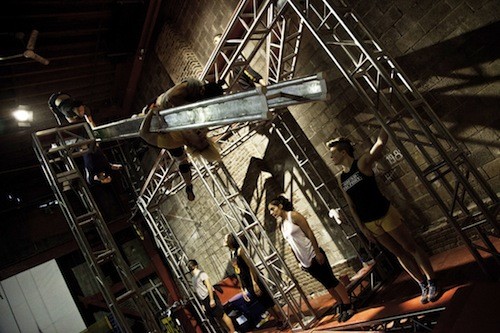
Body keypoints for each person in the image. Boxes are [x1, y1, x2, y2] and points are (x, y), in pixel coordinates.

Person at [326, 129, 440, 304]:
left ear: (343, 152)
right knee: (398, 253)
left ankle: (432, 281)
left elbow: (380, 143)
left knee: (410, 247)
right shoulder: (342, 179)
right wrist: (363, 228)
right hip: (370, 223)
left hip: (385, 213)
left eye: (333, 153)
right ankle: (422, 283)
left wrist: (383, 125)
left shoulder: (362, 163)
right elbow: (352, 206)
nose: (331, 157)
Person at [267, 196, 355, 322]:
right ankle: (341, 304)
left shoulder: (294, 216)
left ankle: (348, 305)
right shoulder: (282, 226)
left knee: (332, 280)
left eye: (272, 209)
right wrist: (299, 262)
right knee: (327, 285)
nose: (271, 213)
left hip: (313, 254)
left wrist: (318, 252)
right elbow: (292, 245)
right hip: (305, 261)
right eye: (270, 211)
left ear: (280, 206)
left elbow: (309, 233)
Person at [139, 78, 224, 201]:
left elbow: (143, 133)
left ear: (191, 145)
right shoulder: (199, 126)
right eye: (204, 138)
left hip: (159, 117)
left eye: (200, 141)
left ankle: (188, 185)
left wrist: (151, 112)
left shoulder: (173, 142)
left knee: (182, 161)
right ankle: (188, 184)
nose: (202, 136)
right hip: (166, 103)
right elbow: (171, 97)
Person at [224, 233, 287, 330]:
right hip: (246, 283)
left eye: (225, 239)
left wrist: (254, 282)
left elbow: (251, 267)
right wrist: (242, 287)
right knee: (263, 303)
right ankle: (278, 319)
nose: (223, 241)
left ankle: (283, 318)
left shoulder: (240, 251)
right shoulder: (232, 254)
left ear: (230, 241)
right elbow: (238, 272)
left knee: (268, 300)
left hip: (253, 280)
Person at [187, 259, 238, 333]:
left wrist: (212, 299)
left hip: (210, 296)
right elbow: (198, 291)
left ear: (195, 265)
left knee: (222, 315)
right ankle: (228, 331)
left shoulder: (202, 274)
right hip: (204, 299)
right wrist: (202, 303)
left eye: (191, 265)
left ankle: (233, 331)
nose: (190, 266)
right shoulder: (193, 279)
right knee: (218, 318)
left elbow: (209, 287)